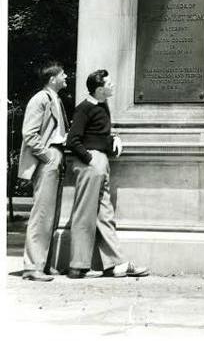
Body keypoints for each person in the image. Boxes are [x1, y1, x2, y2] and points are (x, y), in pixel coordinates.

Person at [66, 69, 148, 279]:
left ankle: (116, 264)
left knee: (105, 215)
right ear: (100, 89)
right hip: (91, 164)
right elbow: (73, 140)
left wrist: (113, 140)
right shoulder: (84, 109)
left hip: (101, 162)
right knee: (85, 215)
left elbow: (98, 134)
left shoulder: (102, 106)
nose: (113, 86)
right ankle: (77, 266)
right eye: (109, 84)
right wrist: (90, 159)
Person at [18, 62, 70, 282]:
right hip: (47, 158)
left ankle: (43, 264)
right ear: (52, 79)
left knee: (51, 214)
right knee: (42, 214)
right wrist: (48, 156)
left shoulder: (55, 99)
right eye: (62, 74)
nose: (66, 76)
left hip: (56, 156)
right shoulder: (40, 99)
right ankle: (32, 266)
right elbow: (29, 134)